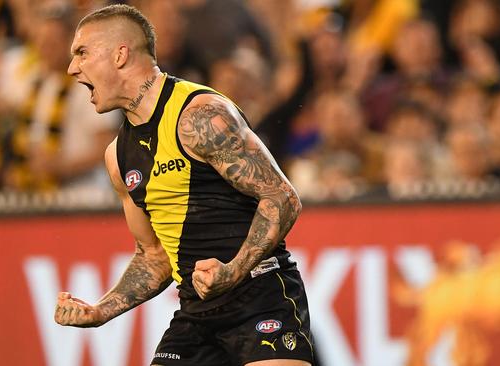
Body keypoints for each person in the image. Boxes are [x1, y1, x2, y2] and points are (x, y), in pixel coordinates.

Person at [54, 5, 314, 366]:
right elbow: (154, 256)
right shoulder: (118, 157)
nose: (72, 68)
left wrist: (233, 270)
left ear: (120, 54)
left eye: (81, 53)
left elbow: (282, 197)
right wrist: (101, 310)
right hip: (196, 312)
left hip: (260, 297)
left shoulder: (200, 115)